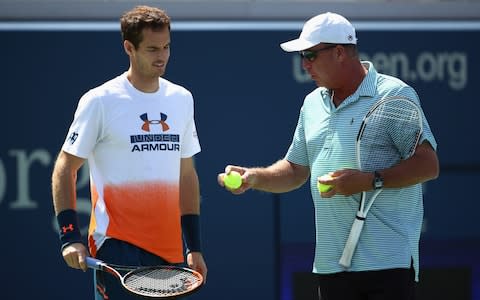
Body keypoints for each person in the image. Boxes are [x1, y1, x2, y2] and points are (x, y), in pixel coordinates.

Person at [218, 12, 438, 300]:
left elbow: (428, 165)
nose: (305, 64)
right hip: (331, 267)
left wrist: (367, 181)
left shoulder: (393, 94)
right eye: (302, 56)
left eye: (310, 55)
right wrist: (254, 177)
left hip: (388, 263)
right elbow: (295, 171)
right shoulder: (312, 104)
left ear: (339, 52)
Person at [51, 5, 207, 299]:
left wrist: (194, 246)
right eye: (152, 49)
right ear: (129, 48)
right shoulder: (99, 101)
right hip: (116, 247)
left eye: (166, 47)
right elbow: (64, 167)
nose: (162, 56)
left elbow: (186, 175)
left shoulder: (182, 99)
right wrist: (69, 237)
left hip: (170, 252)